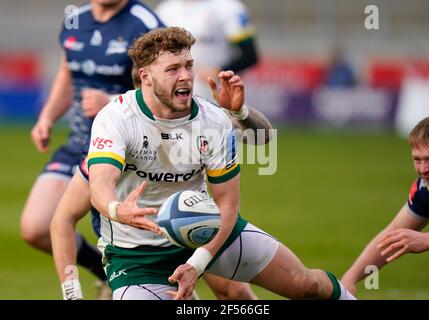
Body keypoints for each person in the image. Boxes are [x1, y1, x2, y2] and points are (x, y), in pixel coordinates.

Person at [87, 27, 355, 300]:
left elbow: (228, 203)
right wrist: (117, 210)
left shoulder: (213, 120)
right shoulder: (116, 117)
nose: (185, 76)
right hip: (137, 255)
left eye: (189, 66)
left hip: (204, 228)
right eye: (172, 69)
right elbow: (99, 184)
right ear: (145, 76)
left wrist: (197, 263)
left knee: (306, 285)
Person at [50, 66, 272, 300]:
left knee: (235, 291)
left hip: (193, 228)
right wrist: (72, 294)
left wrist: (239, 113)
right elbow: (62, 219)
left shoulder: (193, 117)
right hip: (140, 253)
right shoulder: (116, 137)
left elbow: (264, 136)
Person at [20, 0, 165, 297]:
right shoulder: (75, 17)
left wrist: (112, 101)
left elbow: (163, 91)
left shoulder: (145, 22)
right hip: (79, 144)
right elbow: (66, 73)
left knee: (139, 243)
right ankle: (102, 270)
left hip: (128, 148)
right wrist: (47, 117)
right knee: (34, 228)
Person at [341, 113, 429, 295]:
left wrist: (428, 241)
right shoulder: (426, 189)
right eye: (417, 159)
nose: (423, 169)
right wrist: (348, 281)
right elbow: (393, 235)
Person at [155, 0, 258, 100]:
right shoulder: (165, 9)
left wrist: (219, 71)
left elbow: (250, 55)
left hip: (217, 96)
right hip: (176, 95)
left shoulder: (230, 7)